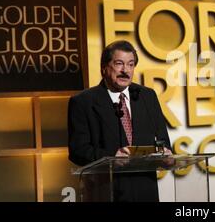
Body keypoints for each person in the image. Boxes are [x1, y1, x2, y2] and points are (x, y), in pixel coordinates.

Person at [68, 40, 172, 201]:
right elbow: (78, 151)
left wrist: (165, 153)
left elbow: (163, 140)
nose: (126, 70)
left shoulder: (147, 96)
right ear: (104, 68)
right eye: (119, 64)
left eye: (131, 65)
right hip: (106, 191)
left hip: (145, 191)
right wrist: (111, 157)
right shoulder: (83, 102)